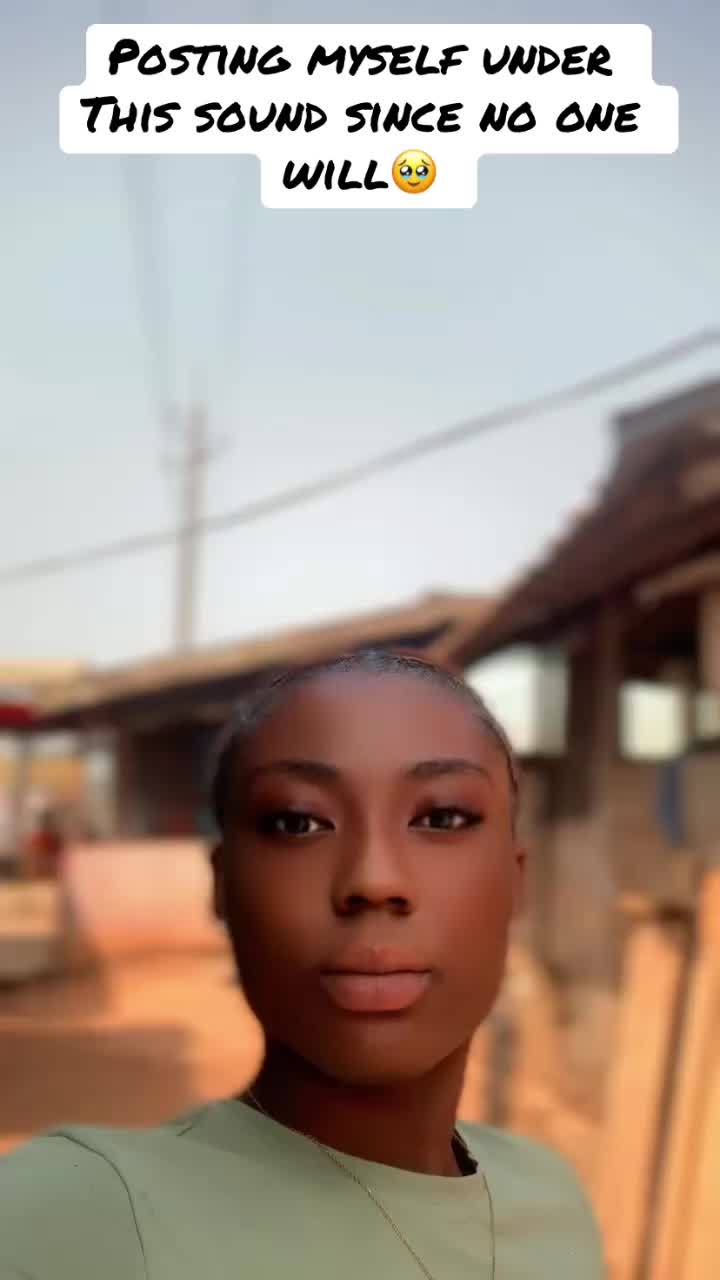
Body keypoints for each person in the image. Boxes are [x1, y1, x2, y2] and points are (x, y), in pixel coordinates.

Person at [0, 650, 607, 1278]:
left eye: (441, 817)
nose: (373, 881)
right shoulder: (79, 1218)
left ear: (515, 881)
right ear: (222, 885)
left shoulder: (553, 1205)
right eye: (298, 822)